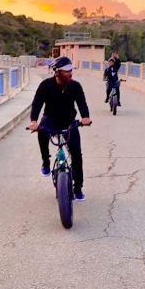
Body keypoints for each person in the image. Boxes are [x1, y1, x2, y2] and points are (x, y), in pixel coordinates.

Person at [28, 56, 92, 201]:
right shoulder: (46, 85)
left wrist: (85, 117)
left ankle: (78, 188)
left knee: (76, 153)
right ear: (57, 72)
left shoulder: (75, 86)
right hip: (51, 119)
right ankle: (46, 161)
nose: (70, 73)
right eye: (66, 71)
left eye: (71, 70)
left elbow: (82, 103)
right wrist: (33, 121)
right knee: (42, 131)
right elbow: (37, 103)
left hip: (69, 121)